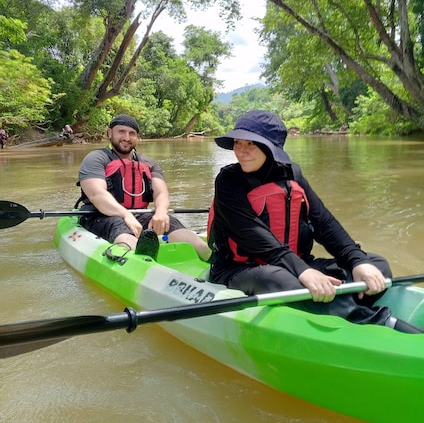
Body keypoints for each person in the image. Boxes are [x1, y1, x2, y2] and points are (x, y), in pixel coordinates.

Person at [209, 110, 421, 333]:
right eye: (237, 142)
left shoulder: (292, 174)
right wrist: (303, 272)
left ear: (270, 148)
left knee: (378, 265)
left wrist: (358, 261)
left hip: (295, 265)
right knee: (276, 279)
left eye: (251, 143)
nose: (241, 151)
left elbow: (324, 223)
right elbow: (253, 235)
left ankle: (331, 306)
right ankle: (375, 322)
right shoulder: (228, 181)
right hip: (240, 270)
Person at [77, 113, 211, 261]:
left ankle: (210, 259)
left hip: (140, 214)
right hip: (102, 216)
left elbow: (161, 192)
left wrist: (160, 212)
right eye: (121, 132)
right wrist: (125, 215)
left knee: (177, 229)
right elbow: (97, 194)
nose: (127, 138)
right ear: (110, 133)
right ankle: (142, 261)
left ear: (137, 137)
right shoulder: (96, 158)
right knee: (121, 230)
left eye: (132, 133)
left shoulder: (148, 162)